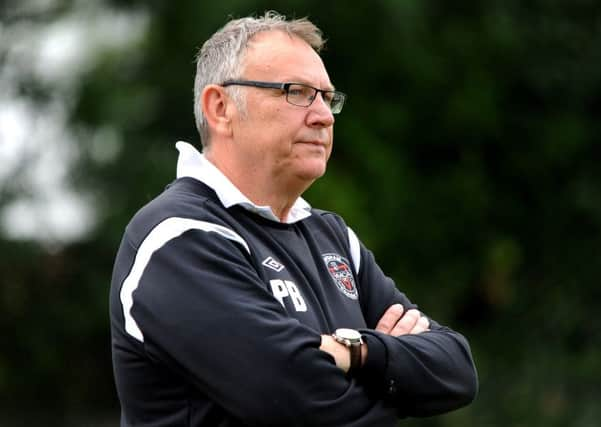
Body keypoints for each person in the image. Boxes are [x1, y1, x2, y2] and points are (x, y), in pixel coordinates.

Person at [109, 11, 478, 426]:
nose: (324, 115)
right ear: (220, 108)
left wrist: (354, 352)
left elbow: (457, 369)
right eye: (297, 92)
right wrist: (398, 378)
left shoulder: (332, 236)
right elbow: (301, 407)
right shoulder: (177, 238)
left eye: (327, 97)